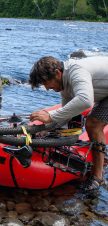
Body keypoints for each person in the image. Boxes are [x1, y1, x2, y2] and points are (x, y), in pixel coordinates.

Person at [29, 56, 108, 191]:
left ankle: (97, 176)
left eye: (46, 83)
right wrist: (46, 128)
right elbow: (66, 115)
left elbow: (86, 101)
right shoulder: (65, 85)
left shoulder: (77, 71)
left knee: (93, 124)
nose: (47, 88)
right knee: (90, 121)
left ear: (58, 73)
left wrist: (50, 116)